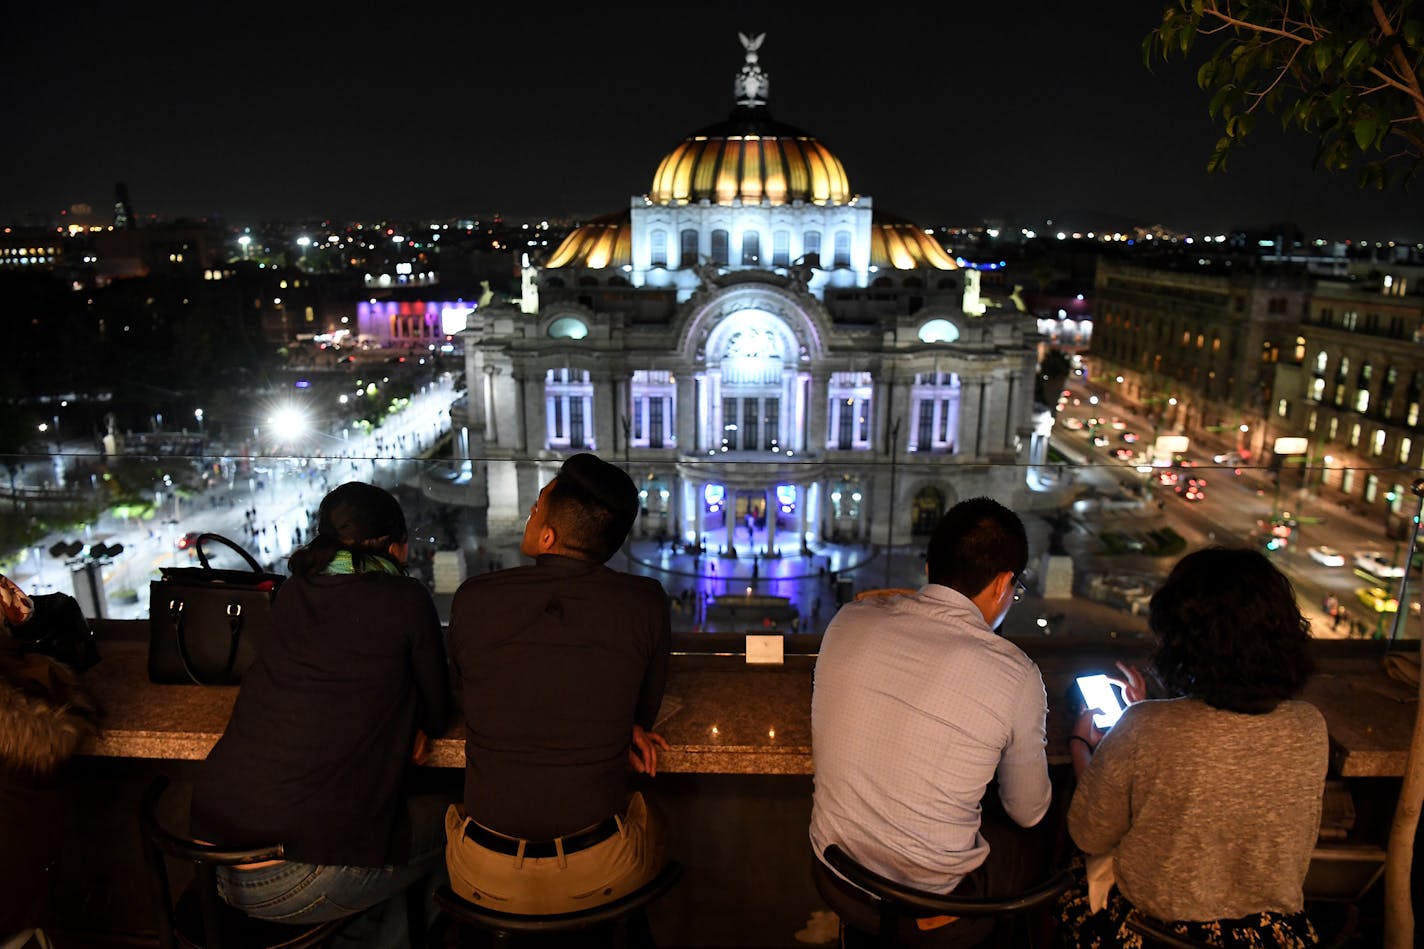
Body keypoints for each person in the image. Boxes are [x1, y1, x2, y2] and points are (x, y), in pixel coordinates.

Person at [190, 482, 450, 948]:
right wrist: (409, 718)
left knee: (379, 839)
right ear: (396, 545)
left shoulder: (291, 594)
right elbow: (439, 710)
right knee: (462, 828)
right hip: (295, 878)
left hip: (212, 868)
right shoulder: (405, 598)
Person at [809, 496, 1053, 946]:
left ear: (926, 570)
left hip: (836, 875)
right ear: (1003, 583)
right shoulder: (1016, 673)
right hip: (931, 908)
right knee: (1044, 838)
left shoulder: (847, 619)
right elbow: (1028, 810)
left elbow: (887, 609)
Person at [1057, 546, 1327, 948]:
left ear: (1181, 642)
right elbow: (1221, 747)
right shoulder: (1309, 726)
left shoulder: (1144, 727)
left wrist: (1083, 744)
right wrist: (1153, 713)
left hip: (1155, 935)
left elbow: (1089, 834)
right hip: (1272, 937)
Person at [444, 452, 672, 914]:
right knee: (665, 825)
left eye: (535, 507)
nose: (529, 513)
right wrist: (621, 723)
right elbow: (641, 712)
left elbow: (467, 692)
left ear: (547, 536)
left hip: (480, 873)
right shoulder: (645, 603)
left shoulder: (474, 599)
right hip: (599, 871)